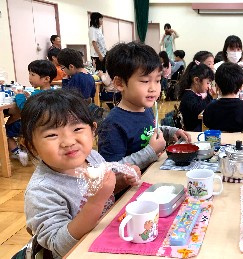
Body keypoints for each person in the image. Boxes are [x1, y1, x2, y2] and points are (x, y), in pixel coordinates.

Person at [21, 90, 141, 259]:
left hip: (105, 237)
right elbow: (58, 247)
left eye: (77, 128)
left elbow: (101, 193)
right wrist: (95, 202)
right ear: (31, 146)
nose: (69, 142)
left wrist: (121, 181)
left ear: (92, 130)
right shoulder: (42, 191)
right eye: (52, 135)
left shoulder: (91, 157)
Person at [97, 42, 191, 171]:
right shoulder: (113, 124)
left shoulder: (145, 108)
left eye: (157, 80)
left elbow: (148, 131)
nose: (153, 88)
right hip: (130, 190)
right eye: (145, 81)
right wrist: (151, 151)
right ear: (120, 83)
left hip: (150, 177)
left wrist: (170, 132)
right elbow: (110, 170)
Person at [6, 59, 57, 166]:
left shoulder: (37, 95)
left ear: (46, 79)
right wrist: (29, 97)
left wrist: (19, 95)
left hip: (32, 124)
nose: (29, 78)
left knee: (5, 132)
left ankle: (17, 152)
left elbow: (24, 109)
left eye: (33, 74)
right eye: (29, 74)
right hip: (47, 124)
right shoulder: (53, 92)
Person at [203, 62, 243, 133]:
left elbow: (206, 124)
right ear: (241, 86)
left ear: (217, 86)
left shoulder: (211, 106)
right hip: (242, 143)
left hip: (217, 142)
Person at [178, 62, 215, 131]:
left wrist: (208, 95)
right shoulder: (188, 95)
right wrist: (207, 95)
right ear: (196, 80)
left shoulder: (198, 94)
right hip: (193, 130)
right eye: (207, 83)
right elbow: (199, 110)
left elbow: (210, 104)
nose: (209, 86)